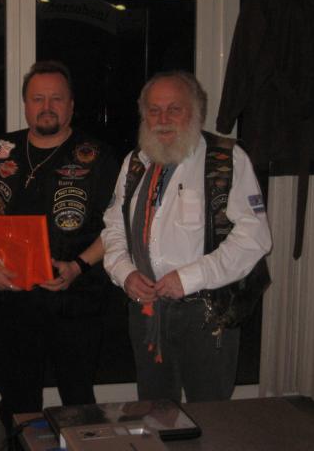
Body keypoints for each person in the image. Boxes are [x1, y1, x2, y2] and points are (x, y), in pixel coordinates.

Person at [0, 61, 119, 434]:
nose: (47, 107)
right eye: (38, 98)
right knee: (17, 402)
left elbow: (117, 227)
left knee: (78, 399)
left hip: (76, 298)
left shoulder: (98, 156)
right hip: (12, 299)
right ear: (26, 105)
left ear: (71, 105)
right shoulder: (1, 152)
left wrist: (79, 265)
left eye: (56, 99)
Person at [101, 71, 272, 403]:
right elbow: (114, 228)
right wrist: (125, 273)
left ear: (196, 112)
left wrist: (189, 278)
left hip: (207, 313)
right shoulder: (135, 162)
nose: (163, 119)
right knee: (155, 409)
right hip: (146, 311)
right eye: (154, 110)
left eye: (174, 109)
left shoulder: (226, 159)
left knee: (210, 414)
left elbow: (254, 238)